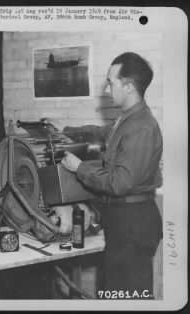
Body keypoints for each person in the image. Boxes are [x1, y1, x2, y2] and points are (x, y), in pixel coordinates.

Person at [61, 52, 163, 298]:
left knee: (127, 297)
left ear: (128, 86)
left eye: (111, 82)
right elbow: (99, 132)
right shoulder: (128, 120)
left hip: (132, 224)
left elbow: (120, 183)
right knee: (117, 292)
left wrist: (79, 168)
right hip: (124, 221)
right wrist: (66, 131)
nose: (107, 90)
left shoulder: (141, 127)